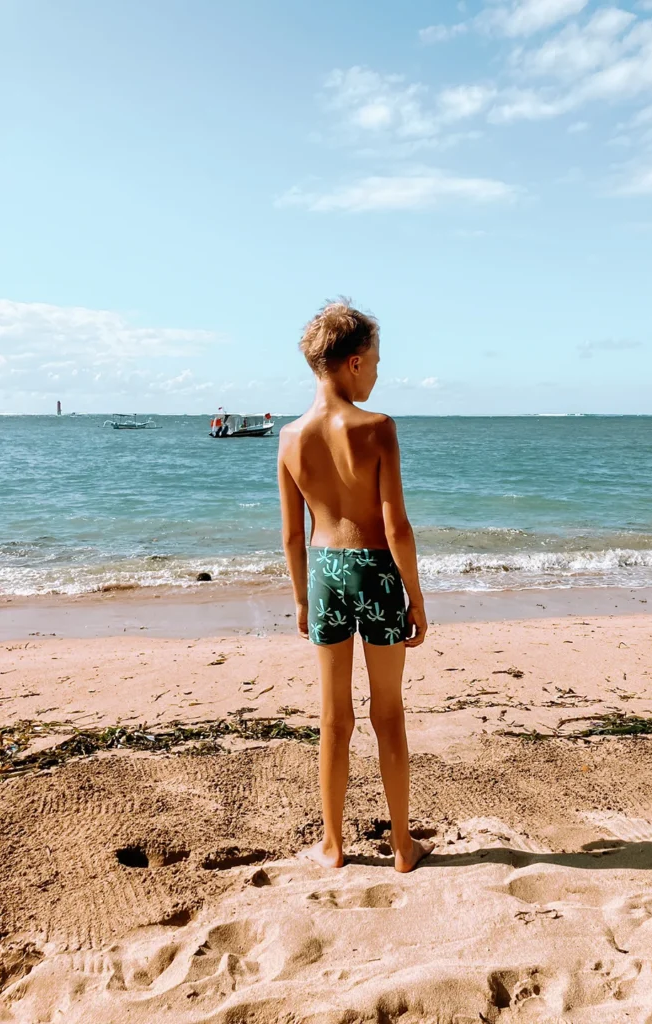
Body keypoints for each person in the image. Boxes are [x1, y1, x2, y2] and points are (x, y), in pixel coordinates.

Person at [278, 300, 433, 873]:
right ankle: (402, 846)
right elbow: (397, 527)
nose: (377, 374)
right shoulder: (377, 429)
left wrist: (301, 597)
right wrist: (416, 597)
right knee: (387, 713)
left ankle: (332, 845)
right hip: (376, 572)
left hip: (324, 574)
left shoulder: (290, 437)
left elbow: (292, 536)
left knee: (333, 717)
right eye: (376, 362)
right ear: (353, 363)